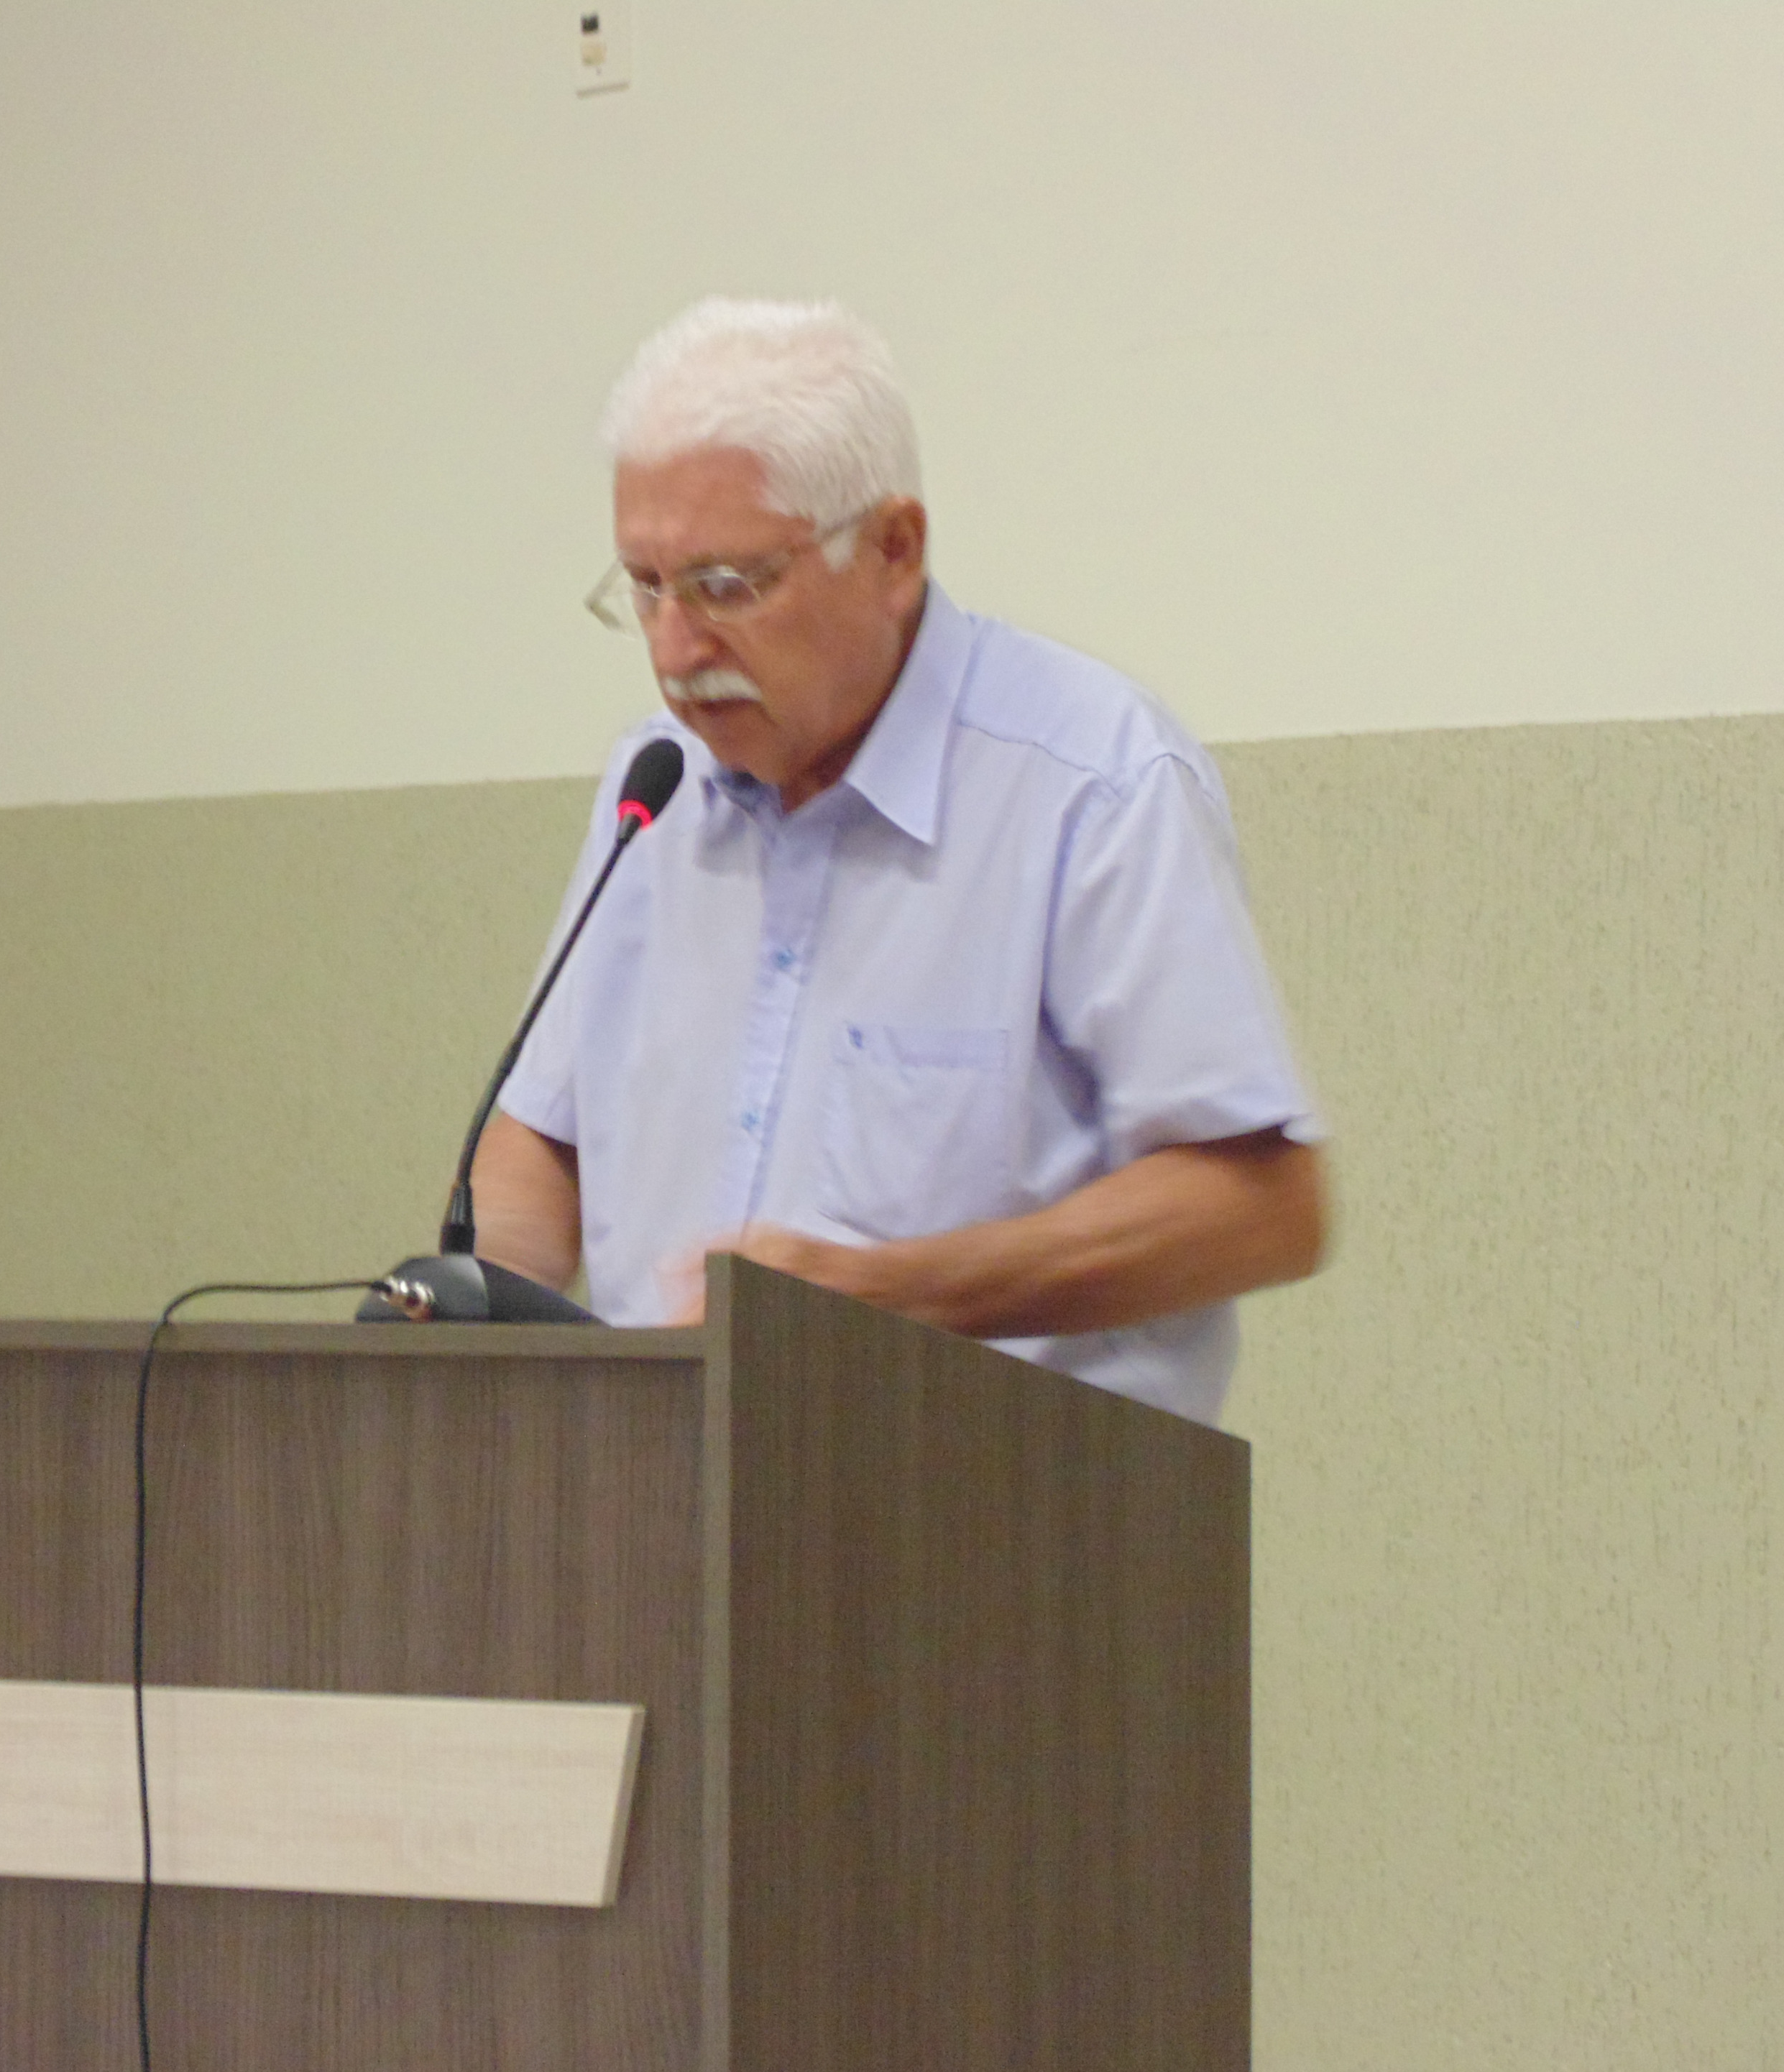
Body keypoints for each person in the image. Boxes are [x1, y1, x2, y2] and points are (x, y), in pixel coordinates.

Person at [476, 297, 1326, 1425]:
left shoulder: (1091, 781)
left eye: (727, 588)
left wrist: (886, 1296)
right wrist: (477, 1310)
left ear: (893, 550)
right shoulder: (654, 789)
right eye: (645, 587)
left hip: (1001, 1504)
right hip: (669, 1496)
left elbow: (1263, 1209)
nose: (674, 649)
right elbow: (542, 1139)